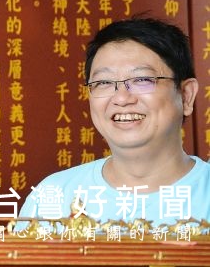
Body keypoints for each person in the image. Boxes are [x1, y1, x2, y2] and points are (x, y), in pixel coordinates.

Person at [20, 17, 210, 228]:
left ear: (186, 96)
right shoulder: (52, 198)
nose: (121, 98)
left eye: (142, 79)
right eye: (104, 82)